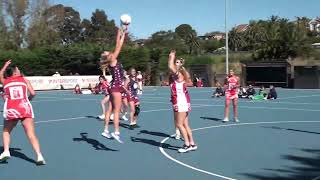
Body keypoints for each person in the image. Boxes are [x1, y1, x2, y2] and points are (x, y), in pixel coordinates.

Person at [0, 60, 45, 165]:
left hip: (12, 109)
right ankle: (39, 156)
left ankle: (6, 151)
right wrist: (27, 99)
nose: (20, 71)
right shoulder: (24, 80)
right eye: (18, 70)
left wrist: (5, 65)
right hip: (25, 108)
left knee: (6, 131)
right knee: (31, 134)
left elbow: (0, 74)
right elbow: (33, 93)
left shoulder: (5, 81)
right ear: (15, 72)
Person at [99, 25, 128, 143]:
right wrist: (123, 33)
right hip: (116, 88)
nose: (108, 51)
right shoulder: (113, 59)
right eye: (106, 52)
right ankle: (116, 132)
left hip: (113, 87)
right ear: (108, 56)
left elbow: (117, 44)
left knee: (110, 109)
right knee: (116, 111)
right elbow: (119, 45)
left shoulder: (111, 59)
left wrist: (119, 32)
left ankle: (105, 130)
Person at [168, 50, 197, 153]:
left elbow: (170, 67)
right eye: (175, 62)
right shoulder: (177, 75)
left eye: (177, 62)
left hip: (181, 102)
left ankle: (187, 144)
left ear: (180, 65)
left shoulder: (178, 74)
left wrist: (171, 57)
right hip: (182, 101)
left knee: (179, 124)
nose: (175, 63)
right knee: (185, 124)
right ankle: (192, 143)